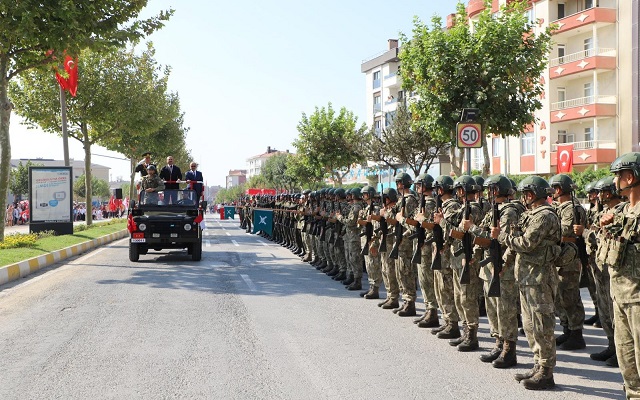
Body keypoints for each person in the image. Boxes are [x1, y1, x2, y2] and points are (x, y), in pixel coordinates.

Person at [499, 176, 561, 390]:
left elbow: (526, 242)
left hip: (540, 278)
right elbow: (518, 240)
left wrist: (503, 237)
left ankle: (546, 371)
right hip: (527, 277)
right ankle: (538, 364)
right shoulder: (530, 215)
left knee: (542, 325)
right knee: (530, 324)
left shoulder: (544, 216)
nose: (523, 198)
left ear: (532, 194)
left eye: (525, 193)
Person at [601, 152, 640, 398]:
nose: (615, 182)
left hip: (638, 298)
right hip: (620, 294)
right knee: (626, 359)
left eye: (618, 176)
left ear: (631, 177)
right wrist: (605, 226)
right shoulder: (623, 210)